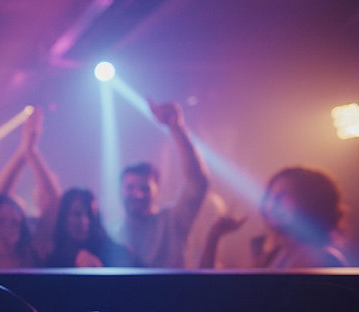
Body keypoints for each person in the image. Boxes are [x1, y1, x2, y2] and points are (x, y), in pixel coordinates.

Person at [113, 98, 209, 268]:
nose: (137, 194)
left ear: (158, 191)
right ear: (120, 190)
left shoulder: (173, 221)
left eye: (145, 188)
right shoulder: (111, 234)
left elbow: (198, 182)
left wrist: (176, 127)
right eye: (130, 187)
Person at [0, 108, 61, 268]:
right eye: (0, 221)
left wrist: (30, 150)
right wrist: (24, 151)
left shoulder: (31, 256)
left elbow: (54, 204)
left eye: (15, 222)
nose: (7, 229)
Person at [201, 167, 347, 268]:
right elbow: (206, 290)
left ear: (313, 201)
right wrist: (214, 235)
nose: (271, 203)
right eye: (270, 196)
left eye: (282, 196)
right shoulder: (280, 255)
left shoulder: (323, 259)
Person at [46, 188, 137, 268]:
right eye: (77, 214)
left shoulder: (119, 254)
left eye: (89, 214)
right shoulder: (53, 260)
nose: (84, 221)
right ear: (64, 217)